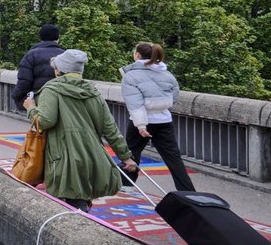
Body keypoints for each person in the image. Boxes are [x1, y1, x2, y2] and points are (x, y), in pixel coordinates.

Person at [24, 49, 137, 212]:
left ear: (58, 70)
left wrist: (31, 108)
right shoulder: (93, 91)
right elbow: (110, 128)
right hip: (91, 154)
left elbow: (45, 121)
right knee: (79, 199)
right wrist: (125, 157)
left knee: (66, 203)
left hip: (63, 156)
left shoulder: (52, 89)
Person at [120, 42, 196, 192]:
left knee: (132, 153)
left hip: (142, 122)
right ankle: (187, 191)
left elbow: (135, 104)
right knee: (173, 158)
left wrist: (141, 126)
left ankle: (127, 184)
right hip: (164, 120)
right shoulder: (167, 74)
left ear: (137, 55)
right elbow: (173, 98)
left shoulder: (131, 76)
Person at [12, 24, 65, 109]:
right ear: (58, 38)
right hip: (61, 100)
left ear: (40, 38)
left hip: (39, 100)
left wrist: (17, 96)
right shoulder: (65, 54)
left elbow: (24, 81)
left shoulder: (31, 54)